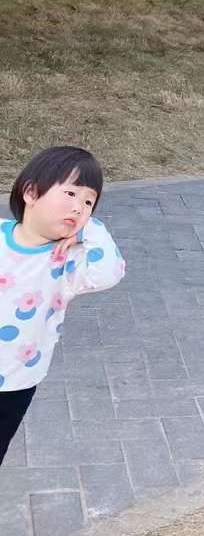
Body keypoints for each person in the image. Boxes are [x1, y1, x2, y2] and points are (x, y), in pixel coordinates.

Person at [1, 147, 125, 466]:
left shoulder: (69, 262)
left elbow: (109, 272)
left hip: (14, 384)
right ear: (31, 192)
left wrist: (91, 230)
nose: (78, 207)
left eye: (89, 202)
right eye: (70, 193)